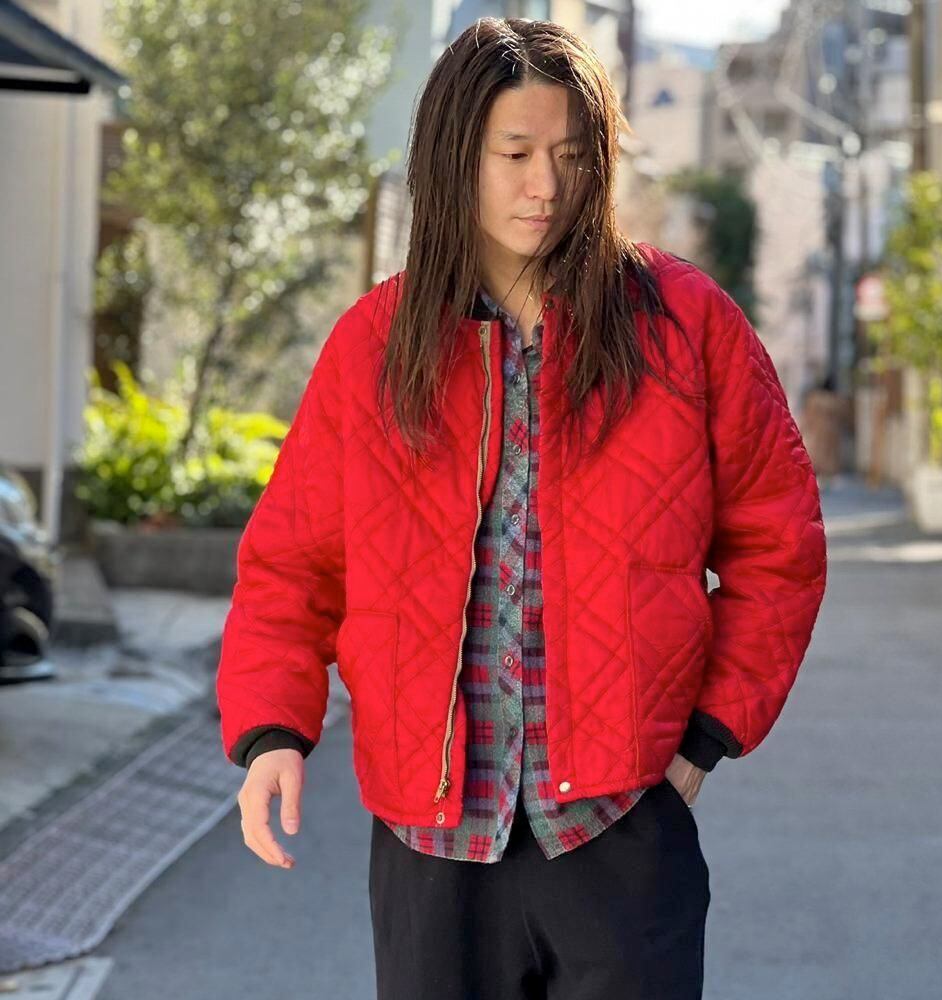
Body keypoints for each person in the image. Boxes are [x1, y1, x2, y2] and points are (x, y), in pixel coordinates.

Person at [216, 16, 828, 1000]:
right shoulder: (373, 345)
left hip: (620, 829)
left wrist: (702, 740)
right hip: (430, 843)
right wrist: (272, 732)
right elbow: (291, 564)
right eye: (515, 154)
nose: (545, 184)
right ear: (455, 157)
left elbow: (779, 545)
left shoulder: (685, 326)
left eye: (571, 155)